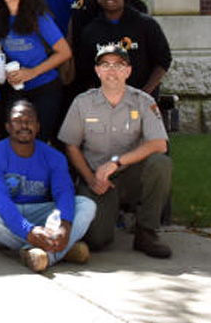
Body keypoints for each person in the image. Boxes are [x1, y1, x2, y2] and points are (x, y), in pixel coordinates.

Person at [58, 45, 173, 258]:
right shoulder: (82, 103)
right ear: (97, 71)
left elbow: (159, 144)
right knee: (96, 240)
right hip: (98, 181)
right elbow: (71, 146)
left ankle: (146, 232)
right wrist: (91, 179)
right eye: (106, 65)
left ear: (128, 71)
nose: (112, 71)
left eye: (119, 65)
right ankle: (110, 217)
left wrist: (117, 162)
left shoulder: (143, 101)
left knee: (160, 163)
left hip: (131, 175)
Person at [0, 100, 95, 272]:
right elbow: (1, 202)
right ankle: (56, 250)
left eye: (29, 121)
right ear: (7, 127)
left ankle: (44, 254)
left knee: (86, 204)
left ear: (37, 126)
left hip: (42, 215)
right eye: (17, 121)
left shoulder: (54, 156)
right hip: (8, 216)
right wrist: (29, 231)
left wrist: (64, 227)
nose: (24, 125)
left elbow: (64, 192)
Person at [0, 0, 72, 142]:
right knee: (16, 139)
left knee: (39, 139)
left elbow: (64, 52)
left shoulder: (38, 17)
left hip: (45, 88)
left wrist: (32, 72)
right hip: (17, 90)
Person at [72, 0, 172, 100]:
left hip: (141, 100)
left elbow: (163, 60)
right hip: (106, 102)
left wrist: (145, 93)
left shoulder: (146, 24)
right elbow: (85, 70)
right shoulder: (91, 31)